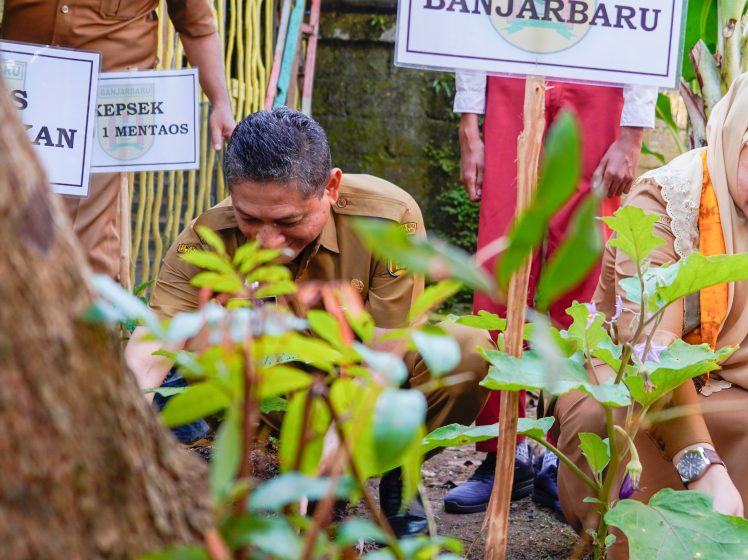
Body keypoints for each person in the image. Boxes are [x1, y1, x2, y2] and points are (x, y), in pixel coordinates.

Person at [124, 107, 493, 537]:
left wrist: (336, 444)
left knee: (469, 348)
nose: (267, 241)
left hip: (363, 380)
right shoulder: (207, 239)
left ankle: (400, 474)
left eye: (288, 221)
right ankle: (271, 471)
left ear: (331, 187)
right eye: (249, 219)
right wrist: (119, 431)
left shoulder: (388, 219)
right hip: (272, 398)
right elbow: (150, 344)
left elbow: (387, 352)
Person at [555, 65, 748, 560]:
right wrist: (702, 467)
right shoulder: (665, 200)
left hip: (728, 382)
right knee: (617, 424)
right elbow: (648, 348)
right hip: (625, 378)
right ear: (733, 139)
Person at [446, 71, 656, 515]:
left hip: (600, 66)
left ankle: (567, 456)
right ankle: (504, 451)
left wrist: (632, 132)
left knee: (585, 263)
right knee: (501, 260)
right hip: (510, 64)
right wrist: (469, 123)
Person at [1, 0, 236, 281]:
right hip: (23, 81)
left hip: (110, 94)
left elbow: (196, 23)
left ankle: (85, 313)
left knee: (86, 226)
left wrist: (220, 102)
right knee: (13, 202)